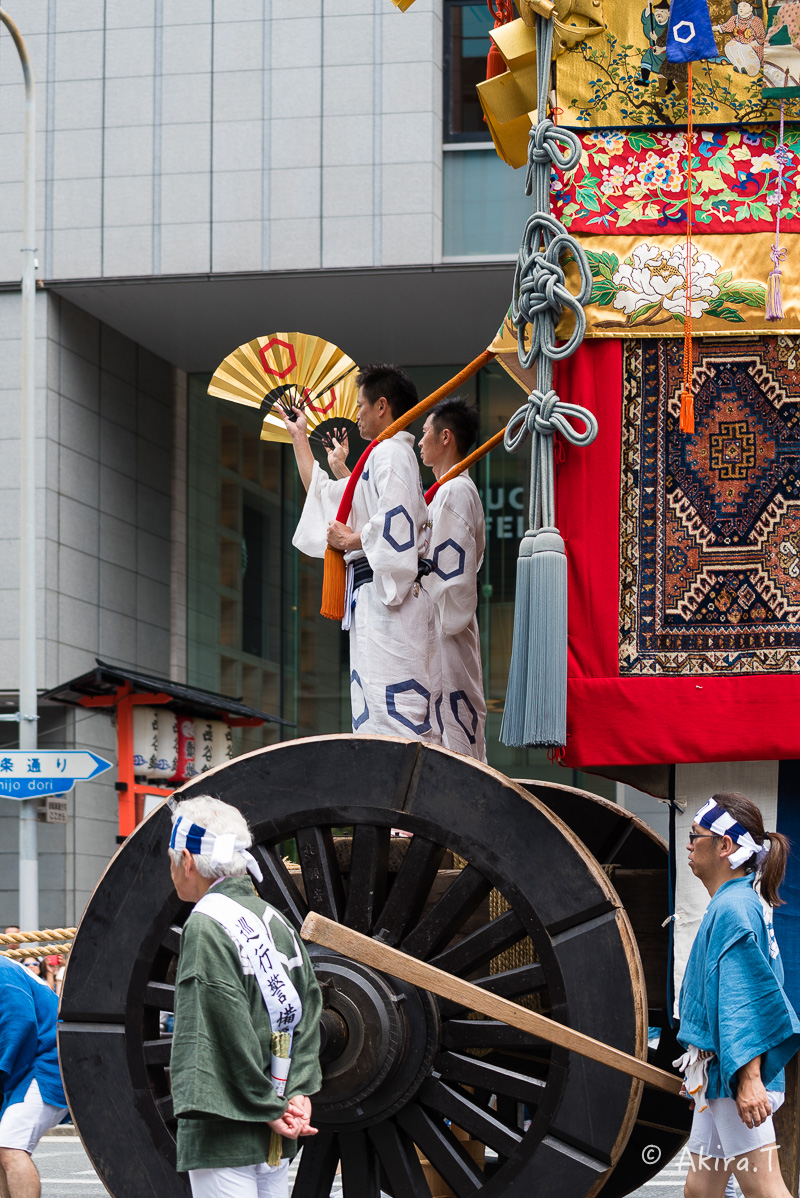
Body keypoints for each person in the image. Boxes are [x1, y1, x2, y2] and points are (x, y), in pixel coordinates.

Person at [168, 795, 322, 1198]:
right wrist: (297, 1092)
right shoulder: (275, 920)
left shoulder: (206, 924)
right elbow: (307, 1008)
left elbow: (218, 1029)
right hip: (280, 1119)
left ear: (187, 860)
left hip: (228, 1128)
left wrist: (267, 1107)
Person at [287, 364, 442, 742]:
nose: (356, 413)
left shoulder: (392, 453)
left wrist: (352, 540)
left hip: (390, 597)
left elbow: (396, 523)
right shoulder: (379, 456)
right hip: (371, 598)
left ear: (382, 407)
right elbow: (325, 497)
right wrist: (300, 438)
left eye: (361, 405)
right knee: (373, 705)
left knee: (394, 707)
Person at [676, 792, 800, 1198]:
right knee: (701, 1189)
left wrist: (747, 1080)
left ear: (724, 846)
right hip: (722, 1070)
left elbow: (743, 1001)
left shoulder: (734, 908)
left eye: (695, 836)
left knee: (764, 1189)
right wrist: (700, 1066)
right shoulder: (739, 901)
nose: (689, 845)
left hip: (737, 1073)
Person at [418, 398, 487, 761]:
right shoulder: (449, 490)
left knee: (452, 721)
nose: (419, 441)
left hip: (446, 624)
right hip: (441, 623)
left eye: (425, 432)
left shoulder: (455, 490)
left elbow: (451, 574)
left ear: (446, 437)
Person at [0, 955, 69, 1198]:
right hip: (33, 1064)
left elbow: (19, 1022)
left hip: (47, 1062)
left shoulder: (2, 970)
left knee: (10, 1145)